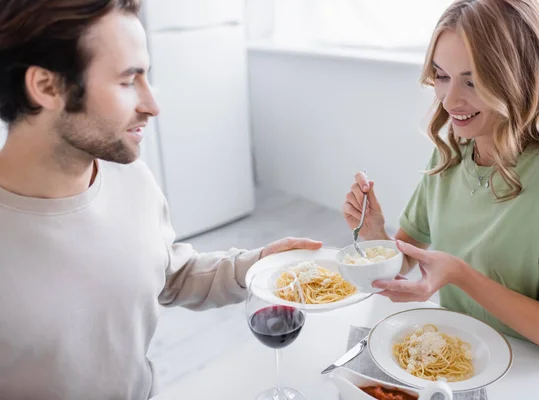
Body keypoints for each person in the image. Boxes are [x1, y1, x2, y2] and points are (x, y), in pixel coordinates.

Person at [0, 1, 321, 399]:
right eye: (127, 80)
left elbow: (169, 274)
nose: (153, 105)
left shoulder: (130, 178)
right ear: (47, 87)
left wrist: (253, 268)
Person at [343, 0, 539, 354]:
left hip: (536, 371)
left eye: (473, 81)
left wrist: (460, 275)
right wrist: (374, 236)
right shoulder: (450, 153)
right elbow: (407, 256)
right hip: (462, 355)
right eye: (442, 77)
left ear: (520, 76)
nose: (450, 101)